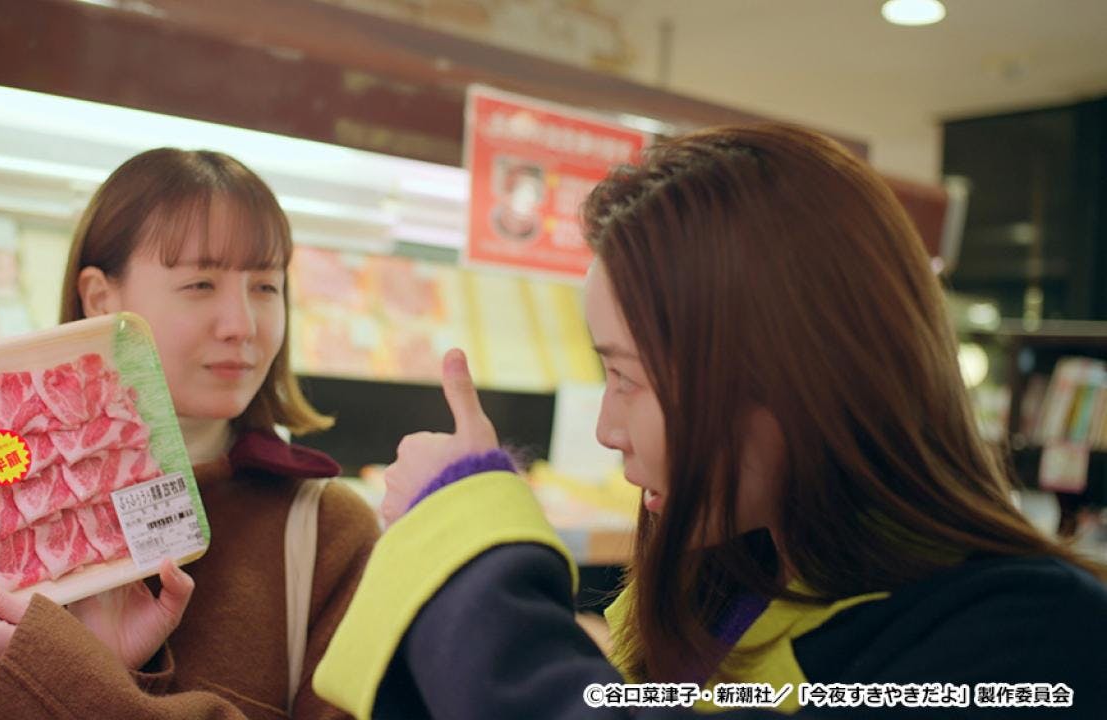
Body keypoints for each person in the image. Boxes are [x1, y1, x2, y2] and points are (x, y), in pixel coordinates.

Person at [312, 125, 1107, 718]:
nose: (607, 429)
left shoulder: (1034, 639)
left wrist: (465, 547)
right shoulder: (728, 588)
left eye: (627, 377)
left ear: (786, 374)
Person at [0, 148, 380, 718]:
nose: (241, 325)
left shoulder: (328, 534)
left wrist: (50, 679)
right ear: (99, 298)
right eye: (200, 284)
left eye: (265, 287)